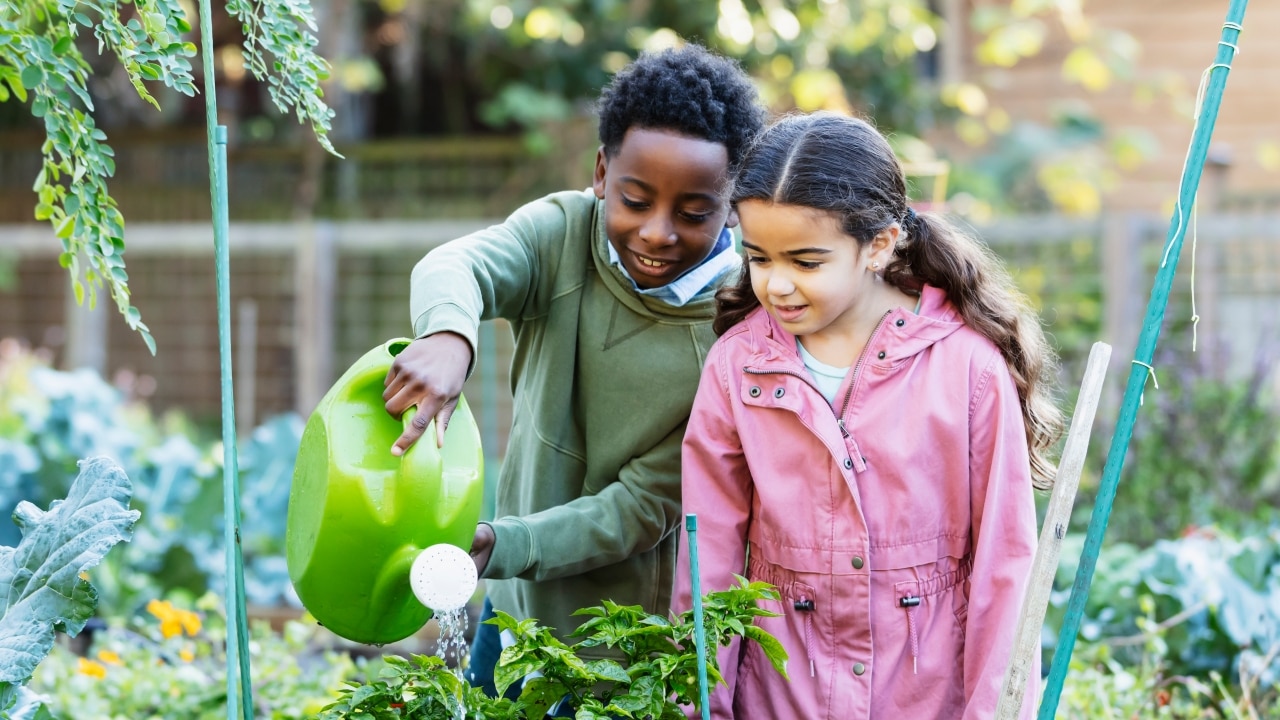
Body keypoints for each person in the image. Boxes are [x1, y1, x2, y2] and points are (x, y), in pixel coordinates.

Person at [381, 43, 766, 707]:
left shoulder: (735, 336)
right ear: (600, 173)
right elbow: (457, 266)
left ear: (732, 204)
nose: (657, 232)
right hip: (510, 611)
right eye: (636, 199)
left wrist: (504, 542)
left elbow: (641, 509)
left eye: (694, 212)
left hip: (619, 653)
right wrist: (449, 336)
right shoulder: (560, 234)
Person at [672, 111, 1064, 719]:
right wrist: (700, 705)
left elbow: (1004, 570)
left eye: (806, 262)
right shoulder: (737, 366)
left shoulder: (967, 367)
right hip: (781, 694)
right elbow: (709, 558)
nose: (777, 285)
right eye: (759, 258)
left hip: (926, 696)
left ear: (879, 244)